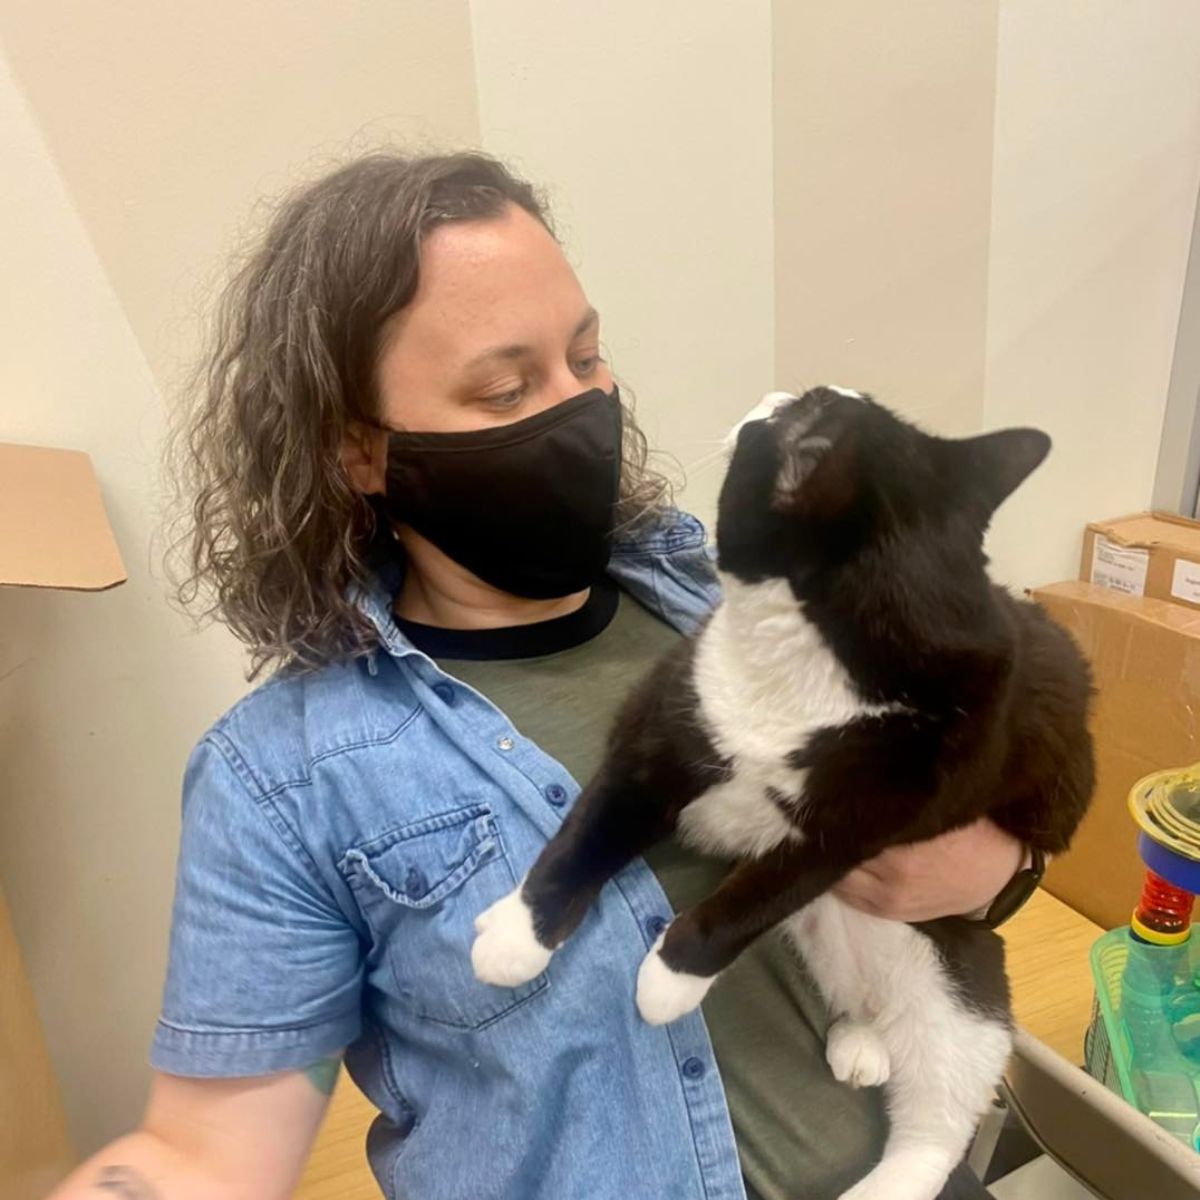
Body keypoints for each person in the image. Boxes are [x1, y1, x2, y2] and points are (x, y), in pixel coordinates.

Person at [52, 152, 1026, 1200]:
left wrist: (999, 868)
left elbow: (979, 798)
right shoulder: (283, 780)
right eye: (506, 388)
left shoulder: (747, 601)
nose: (579, 410)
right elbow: (202, 1153)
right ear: (361, 452)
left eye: (586, 357)